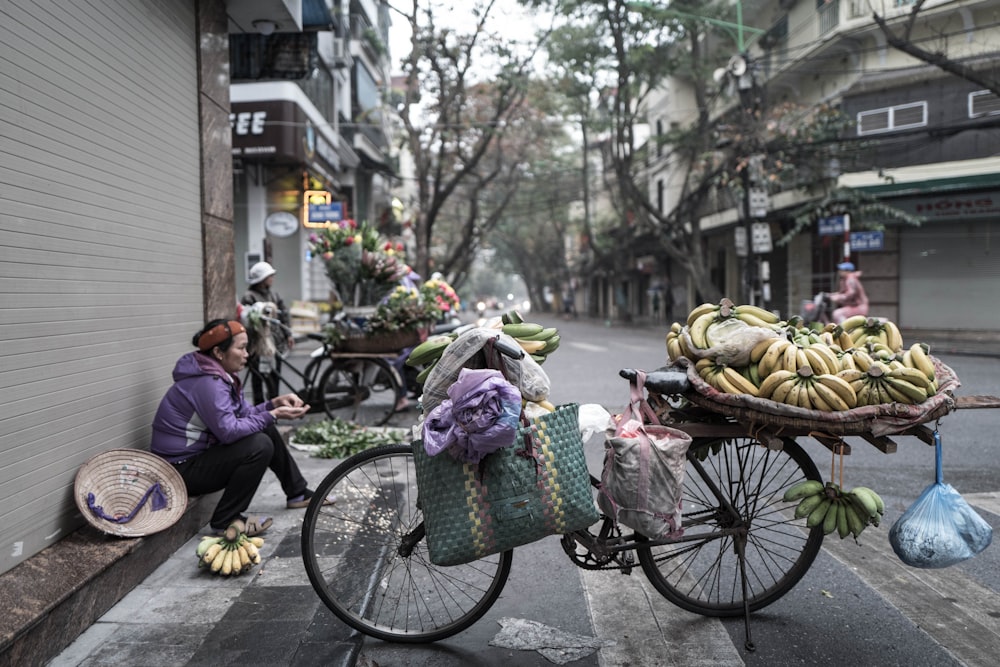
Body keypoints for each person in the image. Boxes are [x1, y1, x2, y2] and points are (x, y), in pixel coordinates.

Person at [150, 319, 331, 536]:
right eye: (241, 348)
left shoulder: (219, 376)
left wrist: (273, 404)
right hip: (179, 470)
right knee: (259, 444)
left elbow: (243, 415)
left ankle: (297, 493)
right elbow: (228, 432)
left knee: (265, 428)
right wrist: (273, 415)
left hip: (197, 459)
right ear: (218, 352)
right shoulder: (208, 383)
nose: (247, 354)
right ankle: (225, 520)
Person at [241, 261, 294, 404]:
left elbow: (284, 316)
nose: (272, 278)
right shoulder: (249, 297)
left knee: (274, 377)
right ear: (262, 279)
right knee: (258, 378)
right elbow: (247, 321)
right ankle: (259, 413)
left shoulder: (274, 295)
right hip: (257, 346)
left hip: (274, 344)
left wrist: (288, 334)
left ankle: (274, 409)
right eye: (269, 276)